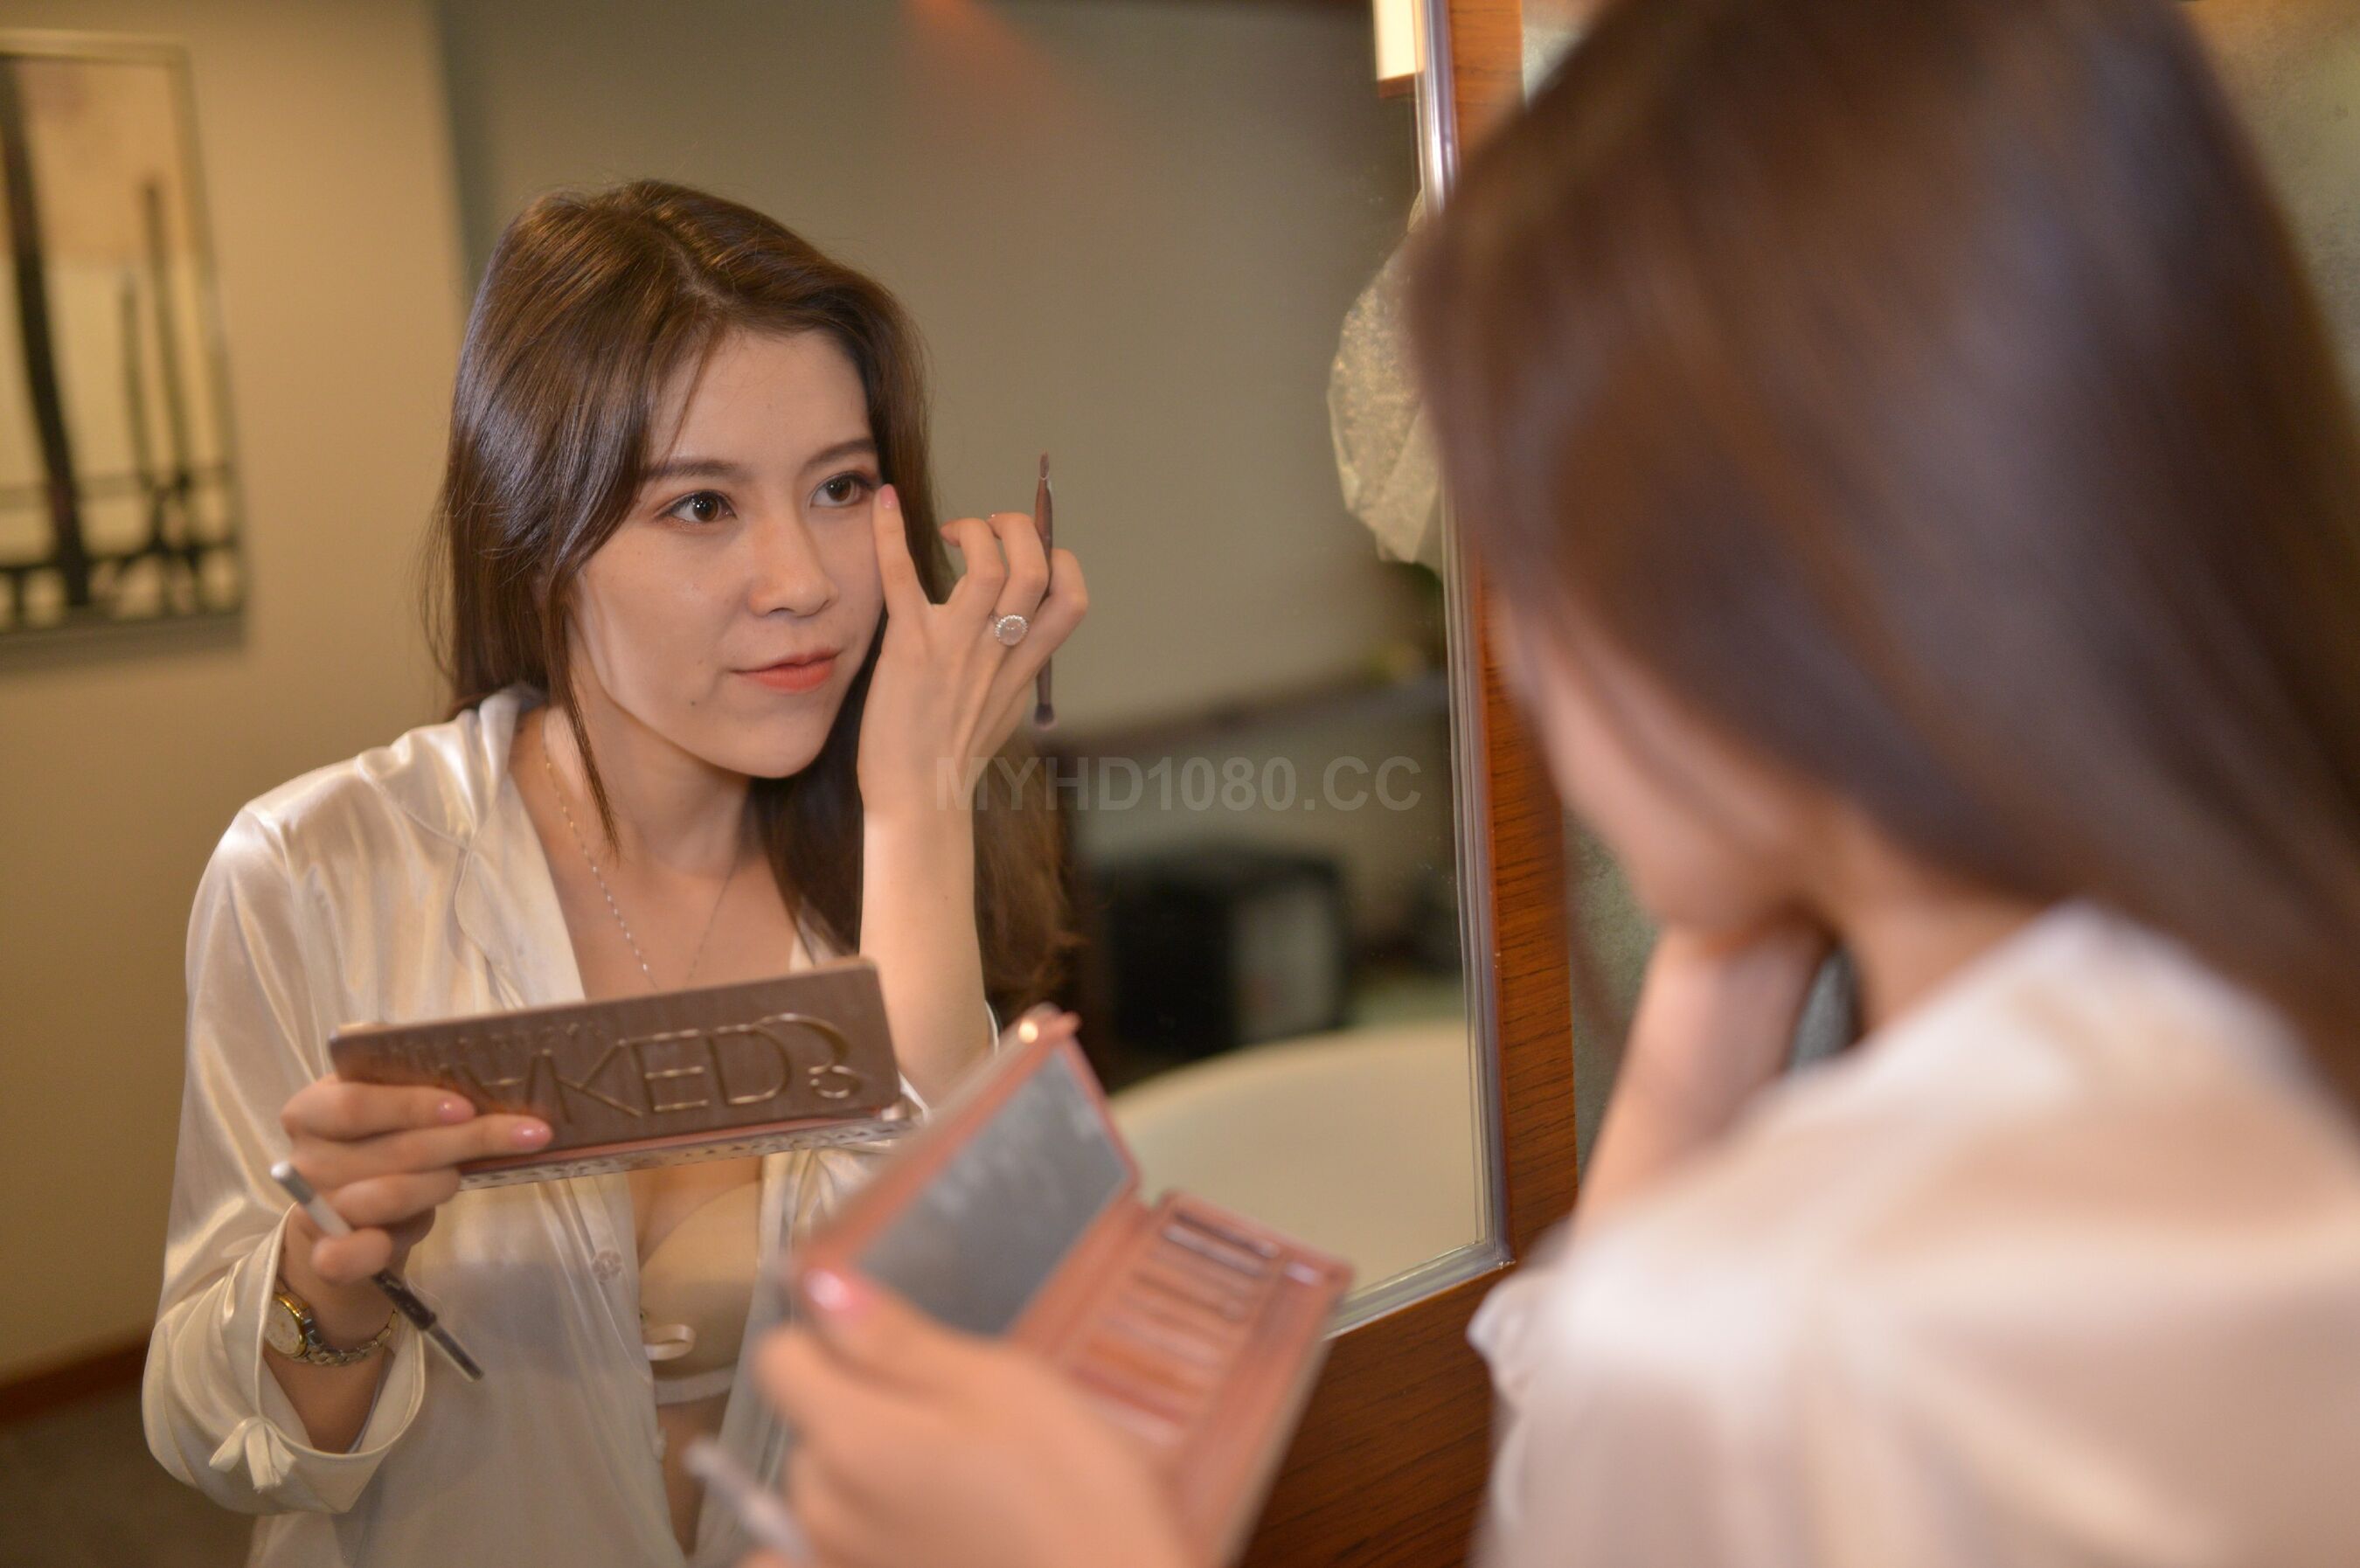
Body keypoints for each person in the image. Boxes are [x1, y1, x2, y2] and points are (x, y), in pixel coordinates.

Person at [746, 0, 2360, 1563]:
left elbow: (1651, 1403)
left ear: (1750, 586)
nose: (1515, 656)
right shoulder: (2251, 1063)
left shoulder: (1786, 1337)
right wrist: (1760, 881)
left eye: (1529, 555)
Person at [142, 179, 1085, 1568]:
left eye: (838, 488)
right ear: (541, 542)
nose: (801, 580)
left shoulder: (900, 846)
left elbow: (962, 1340)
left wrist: (918, 813)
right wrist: (326, 1284)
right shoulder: (318, 869)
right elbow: (217, 1441)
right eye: (701, 505)